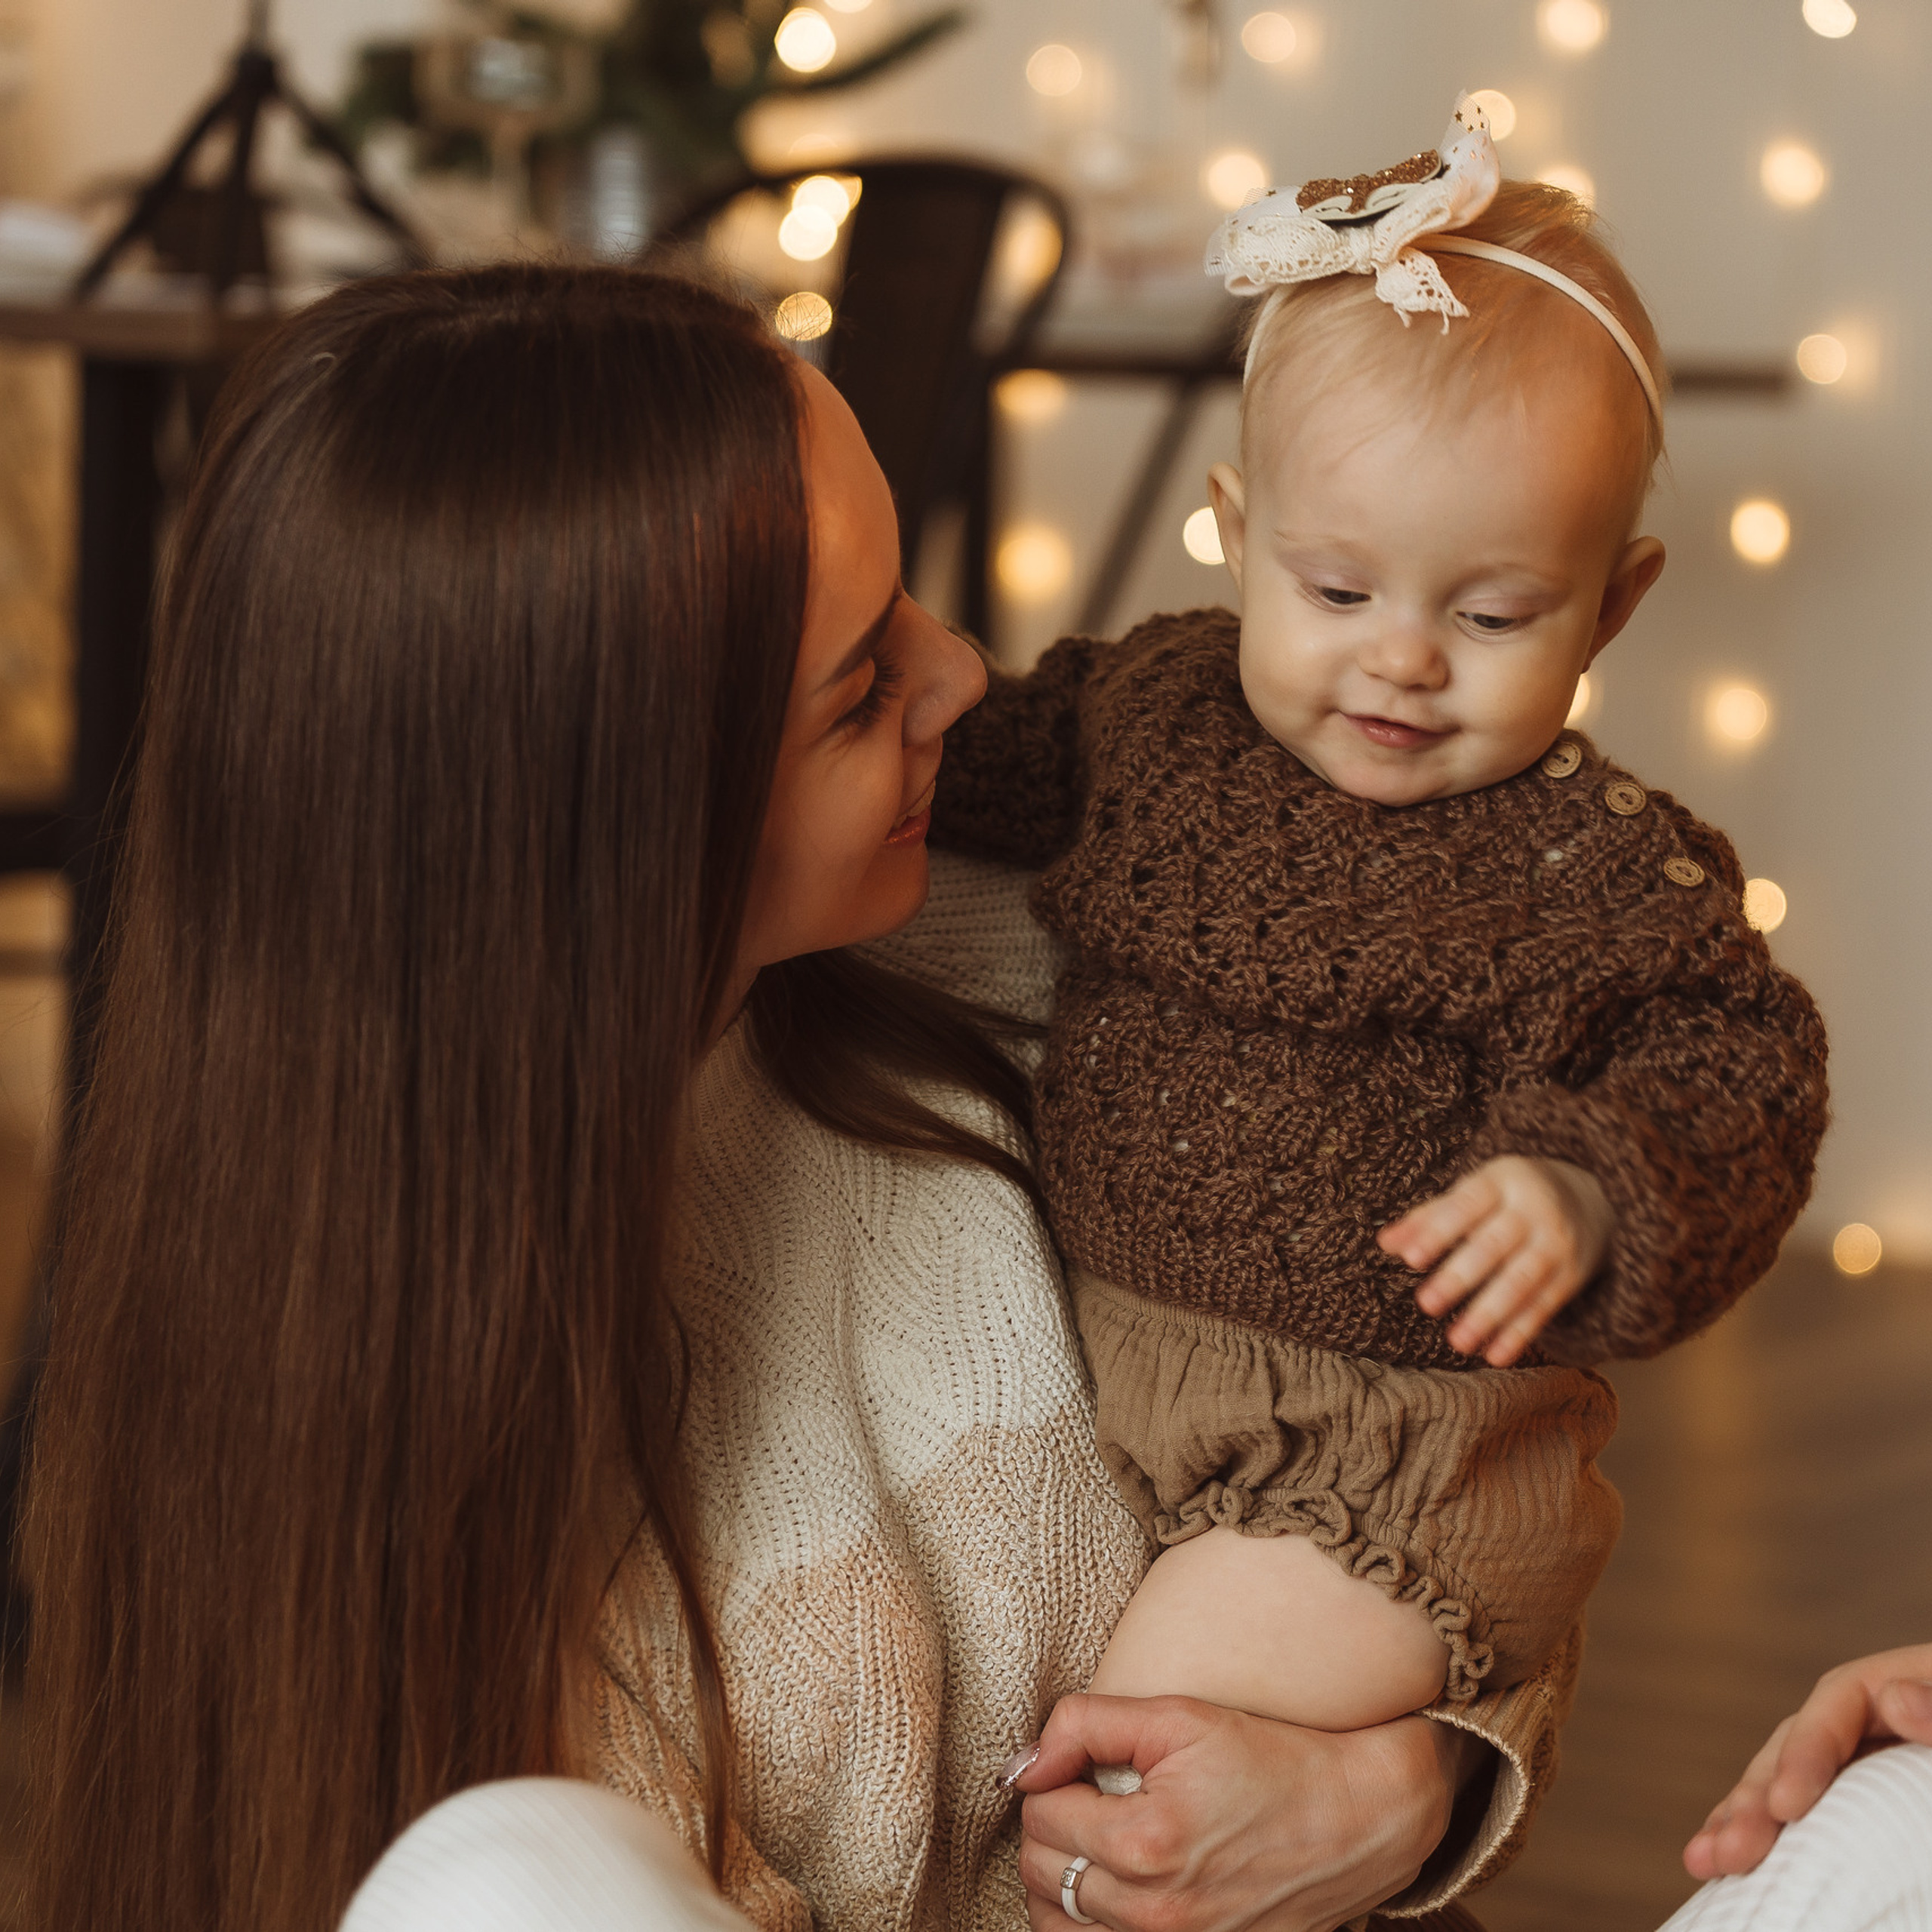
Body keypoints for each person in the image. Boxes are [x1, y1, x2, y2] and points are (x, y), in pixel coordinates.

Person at [25, 264, 1567, 1932]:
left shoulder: (1074, 957)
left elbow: (1448, 1437)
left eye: (911, 606)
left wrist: (1402, 1778)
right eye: (856, 690)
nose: (964, 673)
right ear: (612, 826)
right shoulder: (368, 1483)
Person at [930, 91, 1829, 1778]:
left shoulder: (1588, 867)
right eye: (1334, 590)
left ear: (1611, 601)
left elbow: (1740, 1065)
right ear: (1239, 526)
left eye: (1490, 614)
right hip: (1107, 1384)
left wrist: (1585, 1186)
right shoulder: (1150, 705)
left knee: (1127, 1779)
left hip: (1384, 1457)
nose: (1401, 660)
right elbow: (959, 747)